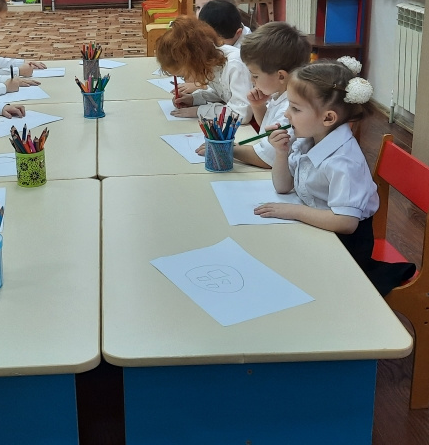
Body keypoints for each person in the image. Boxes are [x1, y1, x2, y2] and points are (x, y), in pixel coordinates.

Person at [254, 58, 415, 296]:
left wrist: (292, 211)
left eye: (296, 109)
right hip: (319, 230)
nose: (287, 114)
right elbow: (283, 186)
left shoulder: (343, 161)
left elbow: (345, 222)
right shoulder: (308, 139)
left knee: (280, 275)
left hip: (346, 247)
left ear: (328, 118)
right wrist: (281, 153)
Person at [233, 22, 311, 168]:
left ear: (281, 76)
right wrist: (258, 106)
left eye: (255, 75)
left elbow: (267, 159)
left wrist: (228, 150)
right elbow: (268, 131)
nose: (252, 80)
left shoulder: (291, 107)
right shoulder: (281, 95)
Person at [156, 16, 252, 123]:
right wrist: (195, 99)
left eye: (183, 76)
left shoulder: (234, 65)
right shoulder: (210, 62)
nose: (184, 80)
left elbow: (242, 114)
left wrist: (200, 111)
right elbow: (224, 93)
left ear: (195, 60)